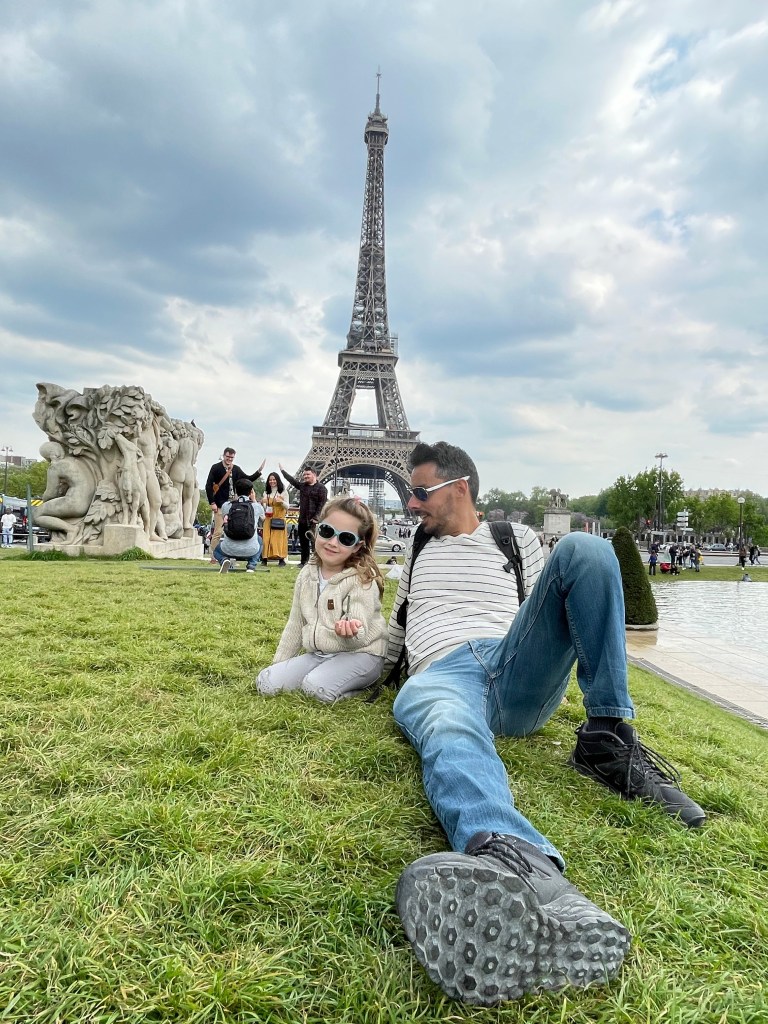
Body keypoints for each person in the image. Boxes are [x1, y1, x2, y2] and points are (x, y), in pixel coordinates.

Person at [388, 441, 705, 1007]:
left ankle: (608, 737)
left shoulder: (517, 541)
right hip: (442, 672)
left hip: (511, 663)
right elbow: (395, 632)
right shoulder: (417, 550)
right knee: (449, 727)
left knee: (586, 549)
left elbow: (554, 609)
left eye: (420, 492)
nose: (411, 505)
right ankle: (525, 868)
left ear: (459, 487)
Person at [256, 496, 386, 702]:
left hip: (362, 654)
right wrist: (279, 665)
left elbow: (359, 632)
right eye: (327, 532)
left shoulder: (361, 579)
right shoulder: (307, 575)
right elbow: (295, 624)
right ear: (317, 529)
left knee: (316, 689)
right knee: (267, 682)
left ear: (357, 546)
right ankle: (321, 675)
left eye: (345, 539)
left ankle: (357, 689)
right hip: (321, 653)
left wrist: (351, 630)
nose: (333, 543)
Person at [205, 448, 265, 564]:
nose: (229, 459)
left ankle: (232, 556)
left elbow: (248, 479)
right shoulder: (216, 468)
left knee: (235, 529)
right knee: (218, 531)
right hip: (220, 504)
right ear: (223, 455)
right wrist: (212, 502)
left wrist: (259, 471)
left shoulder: (236, 469)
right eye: (228, 457)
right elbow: (208, 485)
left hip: (234, 505)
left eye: (232, 458)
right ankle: (214, 555)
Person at [212, 477, 264, 573]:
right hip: (250, 550)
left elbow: (225, 517)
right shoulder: (256, 507)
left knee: (216, 551)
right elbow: (263, 518)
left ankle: (224, 560)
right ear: (250, 491)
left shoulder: (226, 506)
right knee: (260, 540)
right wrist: (254, 499)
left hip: (229, 549)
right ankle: (251, 565)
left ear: (236, 491)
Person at [279, 464, 327, 567]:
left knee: (315, 543)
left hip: (314, 521)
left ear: (314, 474)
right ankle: (304, 561)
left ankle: (317, 562)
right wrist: (282, 471)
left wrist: (316, 518)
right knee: (303, 542)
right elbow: (292, 480)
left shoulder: (322, 488)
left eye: (307, 474)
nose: (305, 476)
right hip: (302, 520)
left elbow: (321, 505)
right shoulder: (303, 486)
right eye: (304, 474)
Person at [261, 472, 290, 568]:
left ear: (277, 480)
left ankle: (281, 559)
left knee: (278, 540)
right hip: (269, 518)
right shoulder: (266, 492)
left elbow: (287, 507)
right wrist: (263, 503)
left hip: (279, 519)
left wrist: (281, 502)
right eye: (270, 480)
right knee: (266, 539)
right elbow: (265, 507)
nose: (272, 481)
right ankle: (265, 558)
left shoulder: (284, 492)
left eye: (274, 479)